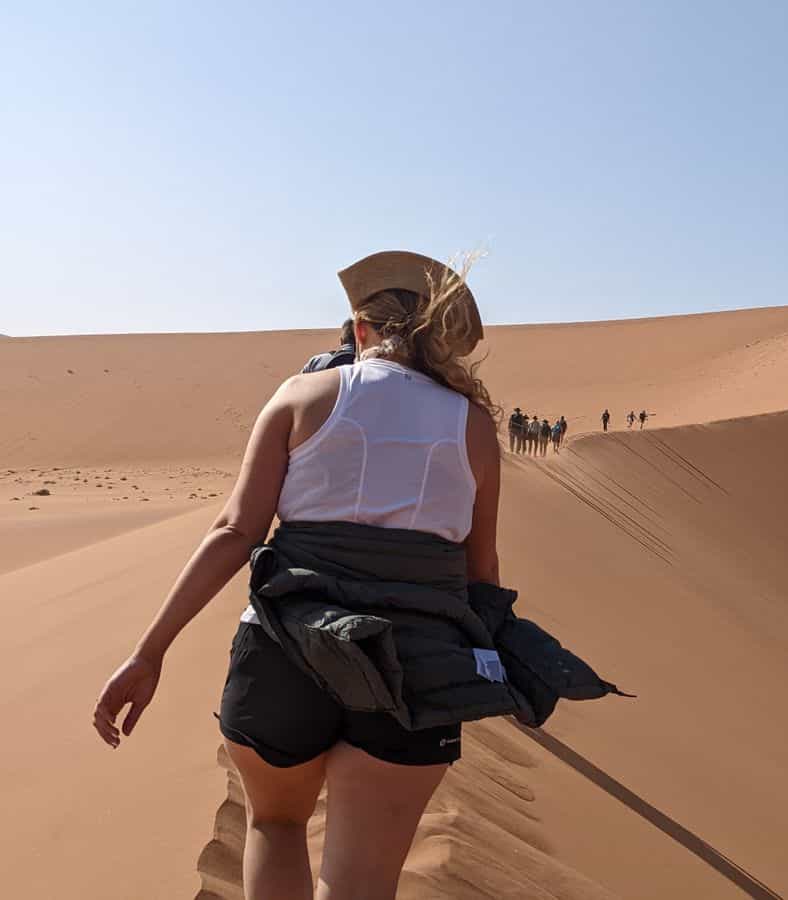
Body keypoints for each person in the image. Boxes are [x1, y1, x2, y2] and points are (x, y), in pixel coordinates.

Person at [92, 251, 509, 900]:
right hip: (417, 665)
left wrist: (149, 652)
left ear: (361, 330)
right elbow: (480, 570)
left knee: (277, 825)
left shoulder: (304, 395)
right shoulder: (475, 427)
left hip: (287, 651)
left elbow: (235, 532)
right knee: (363, 882)